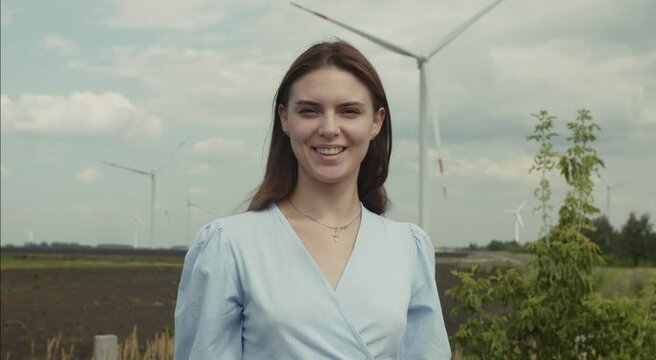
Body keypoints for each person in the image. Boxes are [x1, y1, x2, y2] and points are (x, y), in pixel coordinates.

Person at [174, 40, 451, 359]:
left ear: (376, 122)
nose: (329, 128)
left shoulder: (408, 248)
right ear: (285, 119)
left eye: (349, 111)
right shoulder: (229, 246)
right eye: (310, 111)